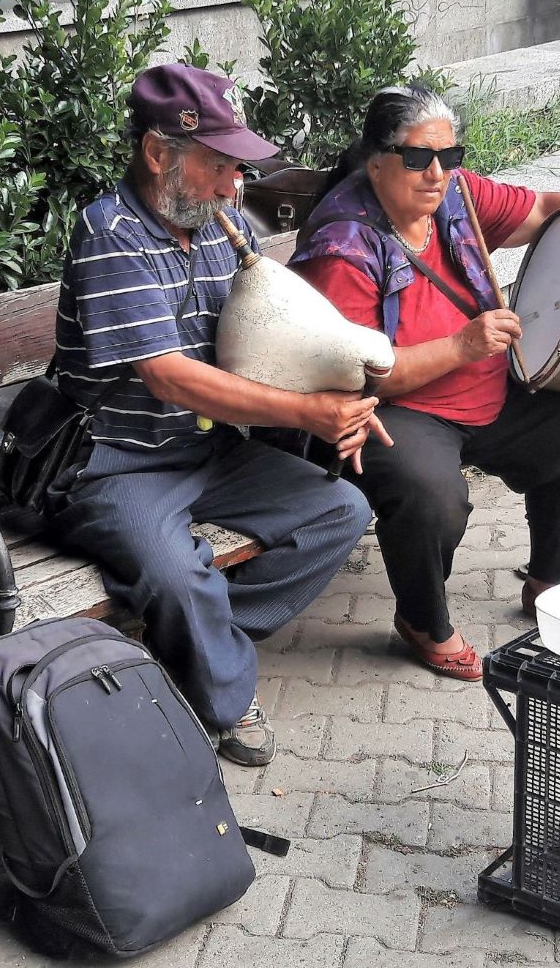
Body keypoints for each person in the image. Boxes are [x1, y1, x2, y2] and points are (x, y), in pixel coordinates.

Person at [287, 85, 560, 682]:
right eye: (418, 159)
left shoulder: (458, 194)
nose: (437, 174)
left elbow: (543, 208)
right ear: (376, 161)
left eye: (449, 158)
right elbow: (362, 371)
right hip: (397, 406)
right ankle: (422, 621)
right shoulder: (343, 248)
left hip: (484, 388)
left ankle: (551, 581)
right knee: (430, 493)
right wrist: (462, 345)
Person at [46, 64, 388, 765]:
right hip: (117, 464)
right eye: (221, 165)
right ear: (156, 153)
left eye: (239, 168)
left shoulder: (218, 228)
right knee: (177, 577)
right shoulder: (110, 231)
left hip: (206, 454)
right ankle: (222, 691)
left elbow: (265, 340)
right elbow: (169, 379)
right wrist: (306, 411)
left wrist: (348, 379)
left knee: (342, 511)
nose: (237, 185)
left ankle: (197, 641)